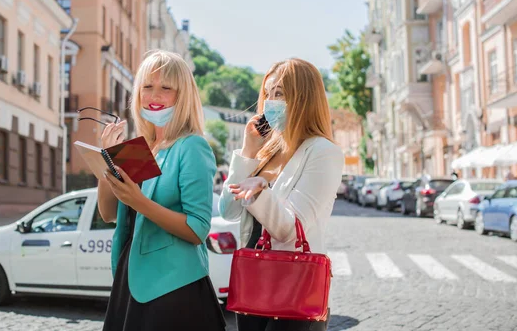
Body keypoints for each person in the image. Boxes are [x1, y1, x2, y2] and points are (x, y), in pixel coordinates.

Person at [98, 50, 225, 331]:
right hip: (130, 282)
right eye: (147, 86)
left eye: (165, 88)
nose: (154, 95)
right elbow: (109, 214)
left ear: (183, 96)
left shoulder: (191, 146)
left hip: (173, 287)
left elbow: (197, 229)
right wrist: (106, 160)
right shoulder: (138, 149)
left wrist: (140, 202)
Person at [219, 58, 344, 331]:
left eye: (280, 93)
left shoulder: (323, 152)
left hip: (295, 288)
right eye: (268, 94)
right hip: (252, 281)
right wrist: (248, 152)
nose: (270, 102)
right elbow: (228, 210)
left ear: (304, 98)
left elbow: (289, 229)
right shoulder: (265, 152)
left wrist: (260, 192)